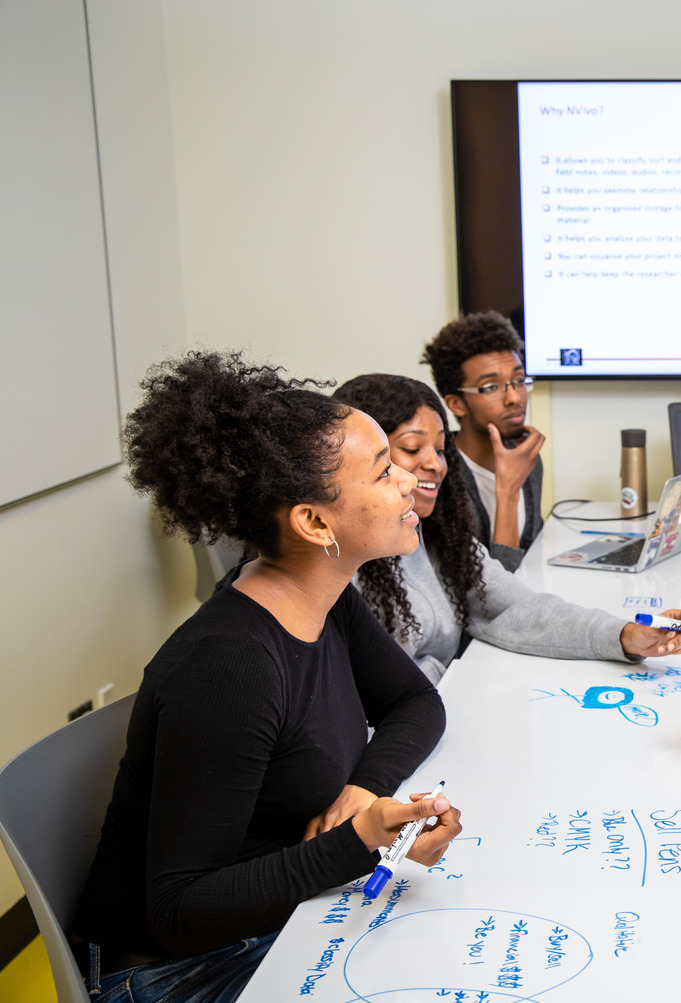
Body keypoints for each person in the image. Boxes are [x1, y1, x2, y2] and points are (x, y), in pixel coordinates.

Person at [72, 352, 464, 1002]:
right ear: (314, 522)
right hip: (167, 970)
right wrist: (362, 841)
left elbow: (415, 702)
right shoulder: (232, 666)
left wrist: (364, 789)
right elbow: (179, 910)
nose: (409, 485)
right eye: (384, 470)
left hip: (274, 917)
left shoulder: (328, 598)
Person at [331, 374, 681, 682]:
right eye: (411, 448)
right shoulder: (343, 564)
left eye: (441, 450)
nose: (434, 464)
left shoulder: (438, 533)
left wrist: (624, 635)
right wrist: (457, 678)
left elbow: (516, 608)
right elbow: (370, 693)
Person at [421, 311, 544, 571]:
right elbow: (492, 594)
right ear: (456, 404)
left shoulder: (527, 457)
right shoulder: (438, 477)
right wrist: (508, 490)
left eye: (519, 380)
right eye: (491, 387)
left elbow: (531, 558)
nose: (514, 398)